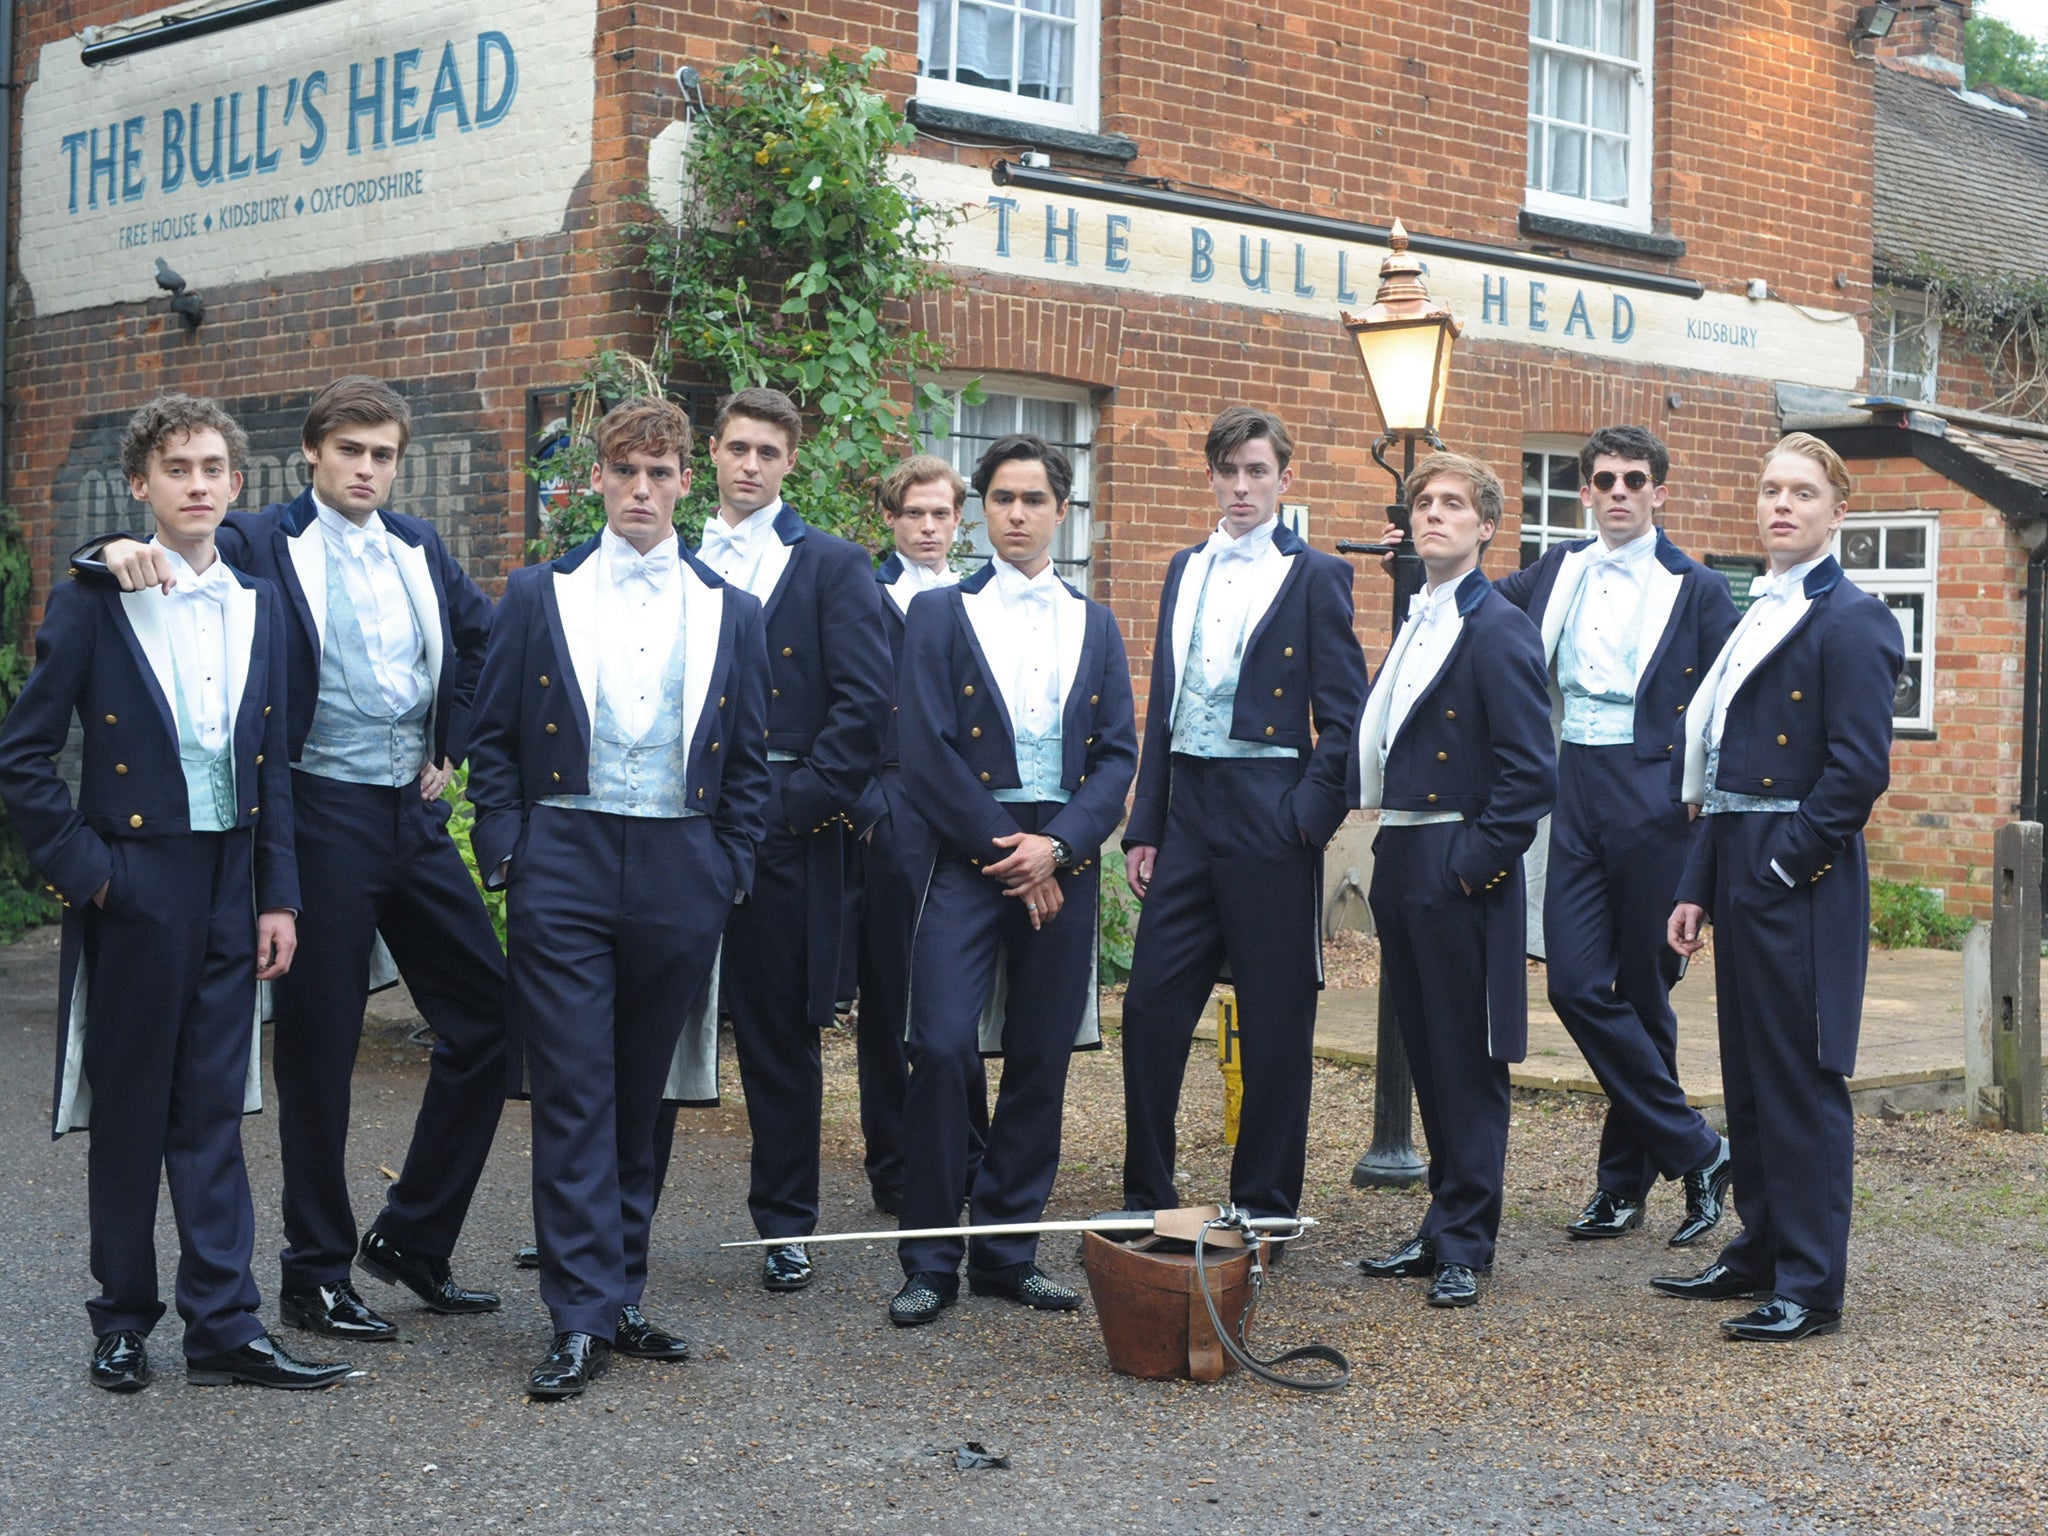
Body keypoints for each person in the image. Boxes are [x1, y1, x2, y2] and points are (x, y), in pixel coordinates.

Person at [75, 377, 507, 1342]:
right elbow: (158, 551)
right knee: (321, 1052)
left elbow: (485, 644)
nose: (367, 469)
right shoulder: (259, 537)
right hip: (315, 820)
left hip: (411, 816)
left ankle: (413, 1237)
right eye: (350, 450)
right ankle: (313, 1274)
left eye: (383, 454)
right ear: (311, 454)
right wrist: (105, 548)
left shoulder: (420, 547)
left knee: (491, 1015)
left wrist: (453, 744)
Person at [0, 394, 350, 1390]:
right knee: (132, 1112)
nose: (197, 485)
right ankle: (120, 1320)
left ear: (237, 488)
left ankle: (225, 1328)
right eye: (177, 469)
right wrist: (91, 876)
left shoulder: (261, 604)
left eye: (212, 470)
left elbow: (274, 762)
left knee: (211, 1110)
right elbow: (24, 755)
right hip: (136, 880)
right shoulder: (95, 595)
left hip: (231, 882)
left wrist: (276, 895)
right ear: (141, 486)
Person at [466, 395, 772, 1398]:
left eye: (659, 473)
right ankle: (576, 1313)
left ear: (686, 482)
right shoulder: (534, 595)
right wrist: (508, 851)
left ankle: (619, 1293)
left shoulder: (733, 608)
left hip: (682, 865)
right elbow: (492, 741)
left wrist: (727, 866)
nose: (641, 490)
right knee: (571, 1088)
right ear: (595, 480)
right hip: (565, 853)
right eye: (624, 472)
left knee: (641, 1092)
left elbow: (754, 762)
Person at [887, 433, 1137, 1327]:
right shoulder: (939, 615)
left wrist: (1059, 846)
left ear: (1060, 511)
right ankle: (927, 1260)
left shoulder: (1095, 623)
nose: (1018, 514)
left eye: (1033, 499)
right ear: (981, 511)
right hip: (968, 857)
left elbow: (1117, 759)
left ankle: (1006, 1252)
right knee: (944, 1047)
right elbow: (924, 751)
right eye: (1001, 499)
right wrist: (1011, 848)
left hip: (1060, 860)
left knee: (1039, 1059)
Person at [1658, 433, 1901, 1343]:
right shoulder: (1753, 607)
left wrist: (1779, 865)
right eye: (1769, 490)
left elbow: (1855, 771)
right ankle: (1761, 1248)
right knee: (1751, 1078)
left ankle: (1811, 1282)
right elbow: (1721, 765)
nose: (1782, 505)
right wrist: (1700, 884)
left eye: (1802, 492)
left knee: (1801, 1078)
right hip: (1738, 855)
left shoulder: (1855, 619)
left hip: (1801, 873)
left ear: (1839, 512)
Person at [1488, 426, 1739, 1246]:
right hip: (1575, 786)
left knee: (1643, 995)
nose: (1620, 491)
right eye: (1605, 479)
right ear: (1586, 492)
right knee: (1574, 985)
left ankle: (1620, 1188)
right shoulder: (1558, 568)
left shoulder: (1697, 588)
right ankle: (1700, 1150)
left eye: (1636, 479)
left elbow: (1728, 707)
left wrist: (1707, 824)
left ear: (1659, 492)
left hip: (1659, 797)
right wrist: (1412, 559)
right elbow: (1476, 606)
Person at [1118, 407, 1366, 1224]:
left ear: (1285, 480)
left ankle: (1262, 1205)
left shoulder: (1318, 575)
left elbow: (1346, 717)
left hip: (1270, 812)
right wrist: (1146, 823)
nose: (1241, 485)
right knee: (1152, 1008)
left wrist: (1303, 820)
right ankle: (1147, 1196)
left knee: (1272, 1022)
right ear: (1212, 475)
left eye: (1257, 470)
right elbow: (1162, 708)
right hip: (1189, 808)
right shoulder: (1183, 567)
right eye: (1228, 469)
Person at [683, 386, 891, 1292]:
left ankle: (786, 1223)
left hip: (778, 809)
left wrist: (795, 803)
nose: (751, 465)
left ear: (789, 460)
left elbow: (865, 704)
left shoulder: (834, 565)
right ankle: (605, 1220)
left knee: (775, 1031)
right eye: (737, 449)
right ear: (714, 455)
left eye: (768, 451)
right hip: (676, 814)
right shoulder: (673, 555)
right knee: (648, 1025)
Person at [1352, 452, 1554, 1309]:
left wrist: (1471, 869)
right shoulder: (1418, 615)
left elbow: (1530, 773)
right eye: (1423, 502)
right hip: (1402, 854)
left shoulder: (1499, 626)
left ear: (1486, 526)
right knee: (1430, 1053)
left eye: (1453, 504)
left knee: (1468, 1060)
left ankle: (1469, 1239)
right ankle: (1440, 1226)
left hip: (1456, 860)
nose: (1435, 514)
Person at [855, 454, 988, 1217]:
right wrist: (873, 809)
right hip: (896, 809)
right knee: (890, 996)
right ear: (890, 518)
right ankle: (896, 1164)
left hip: (970, 809)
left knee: (953, 1000)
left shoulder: (978, 599)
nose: (930, 528)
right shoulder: (867, 594)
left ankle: (970, 1152)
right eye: (914, 514)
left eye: (941, 515)